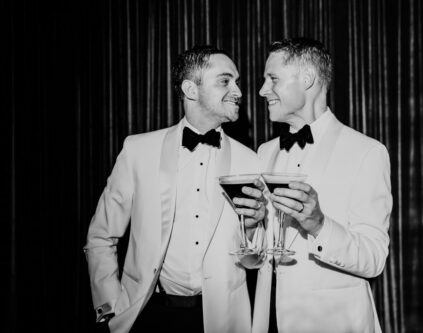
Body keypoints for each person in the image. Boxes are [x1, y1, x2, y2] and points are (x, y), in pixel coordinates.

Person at [84, 45, 266, 333]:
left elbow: (256, 259)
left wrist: (255, 227)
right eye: (225, 80)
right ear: (191, 89)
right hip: (149, 316)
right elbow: (100, 236)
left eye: (237, 82)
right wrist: (109, 309)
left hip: (222, 321)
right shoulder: (138, 150)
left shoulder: (251, 160)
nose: (239, 92)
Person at [251, 38, 393, 333]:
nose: (263, 90)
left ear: (307, 79)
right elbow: (261, 251)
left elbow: (374, 259)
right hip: (269, 322)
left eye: (272, 79)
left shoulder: (366, 152)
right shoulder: (265, 152)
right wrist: (251, 226)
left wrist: (319, 225)